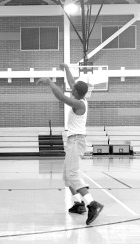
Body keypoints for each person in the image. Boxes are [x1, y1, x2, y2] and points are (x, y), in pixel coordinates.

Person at [37, 63, 103, 225]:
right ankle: (78, 204)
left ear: (76, 93)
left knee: (72, 175)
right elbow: (72, 81)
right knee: (67, 176)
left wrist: (50, 82)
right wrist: (66, 68)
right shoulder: (81, 97)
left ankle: (92, 204)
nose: (70, 88)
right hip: (73, 140)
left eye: (73, 88)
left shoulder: (79, 104)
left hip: (77, 140)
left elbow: (61, 97)